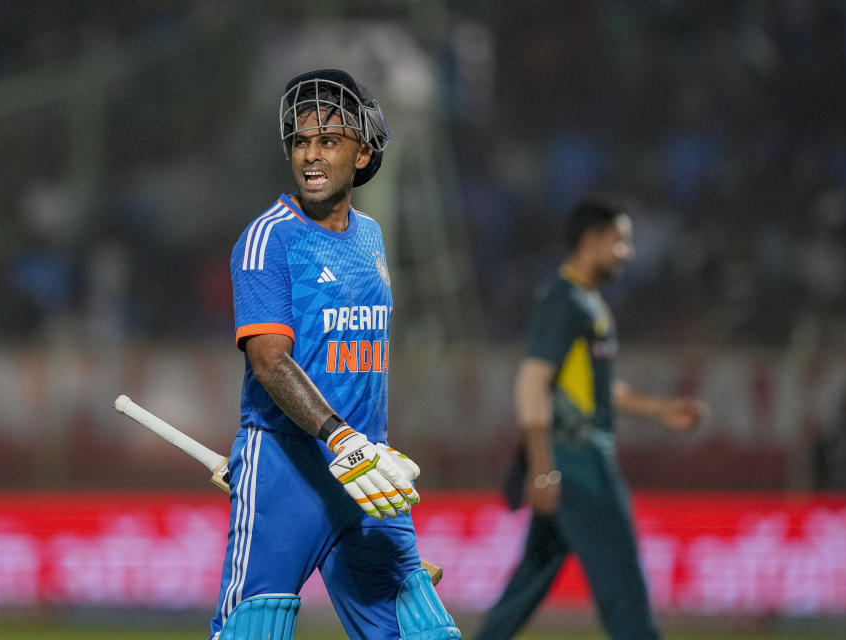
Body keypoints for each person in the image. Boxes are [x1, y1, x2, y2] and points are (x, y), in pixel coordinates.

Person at [210, 69, 461, 640]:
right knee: (253, 632)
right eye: (300, 141)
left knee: (421, 634)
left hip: (369, 474)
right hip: (287, 469)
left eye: (328, 140)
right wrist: (338, 440)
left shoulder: (371, 236)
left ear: (363, 153)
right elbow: (270, 361)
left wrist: (360, 452)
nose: (311, 156)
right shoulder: (267, 238)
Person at [473, 198, 706, 640]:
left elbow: (590, 390)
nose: (628, 253)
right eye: (620, 242)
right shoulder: (565, 302)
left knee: (529, 582)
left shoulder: (587, 302)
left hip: (567, 461)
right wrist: (542, 469)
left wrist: (658, 409)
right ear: (591, 241)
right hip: (578, 463)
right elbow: (531, 383)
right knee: (623, 586)